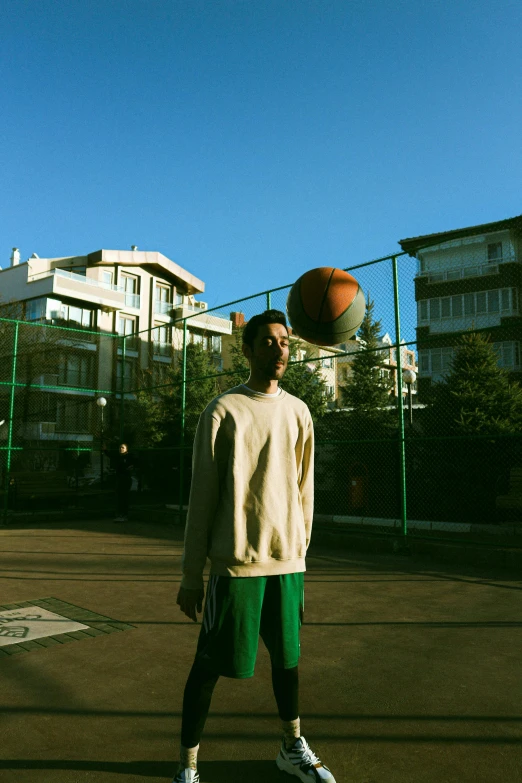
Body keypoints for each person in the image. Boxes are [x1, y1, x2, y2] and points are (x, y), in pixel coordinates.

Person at [173, 310, 336, 783]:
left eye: (284, 342)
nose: (278, 349)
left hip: (287, 564)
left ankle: (291, 746)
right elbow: (202, 497)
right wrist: (191, 573)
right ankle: (187, 765)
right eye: (267, 342)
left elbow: (305, 490)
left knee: (288, 662)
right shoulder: (222, 411)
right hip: (237, 565)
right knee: (208, 669)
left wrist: (300, 554)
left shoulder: (300, 411)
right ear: (246, 350)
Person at [114, 442, 134, 522]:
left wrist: (130, 467)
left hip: (125, 479)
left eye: (122, 447)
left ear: (126, 449)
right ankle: (121, 514)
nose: (121, 449)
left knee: (124, 497)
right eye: (120, 447)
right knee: (120, 497)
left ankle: (124, 515)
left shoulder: (128, 457)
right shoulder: (120, 458)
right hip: (120, 479)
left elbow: (131, 465)